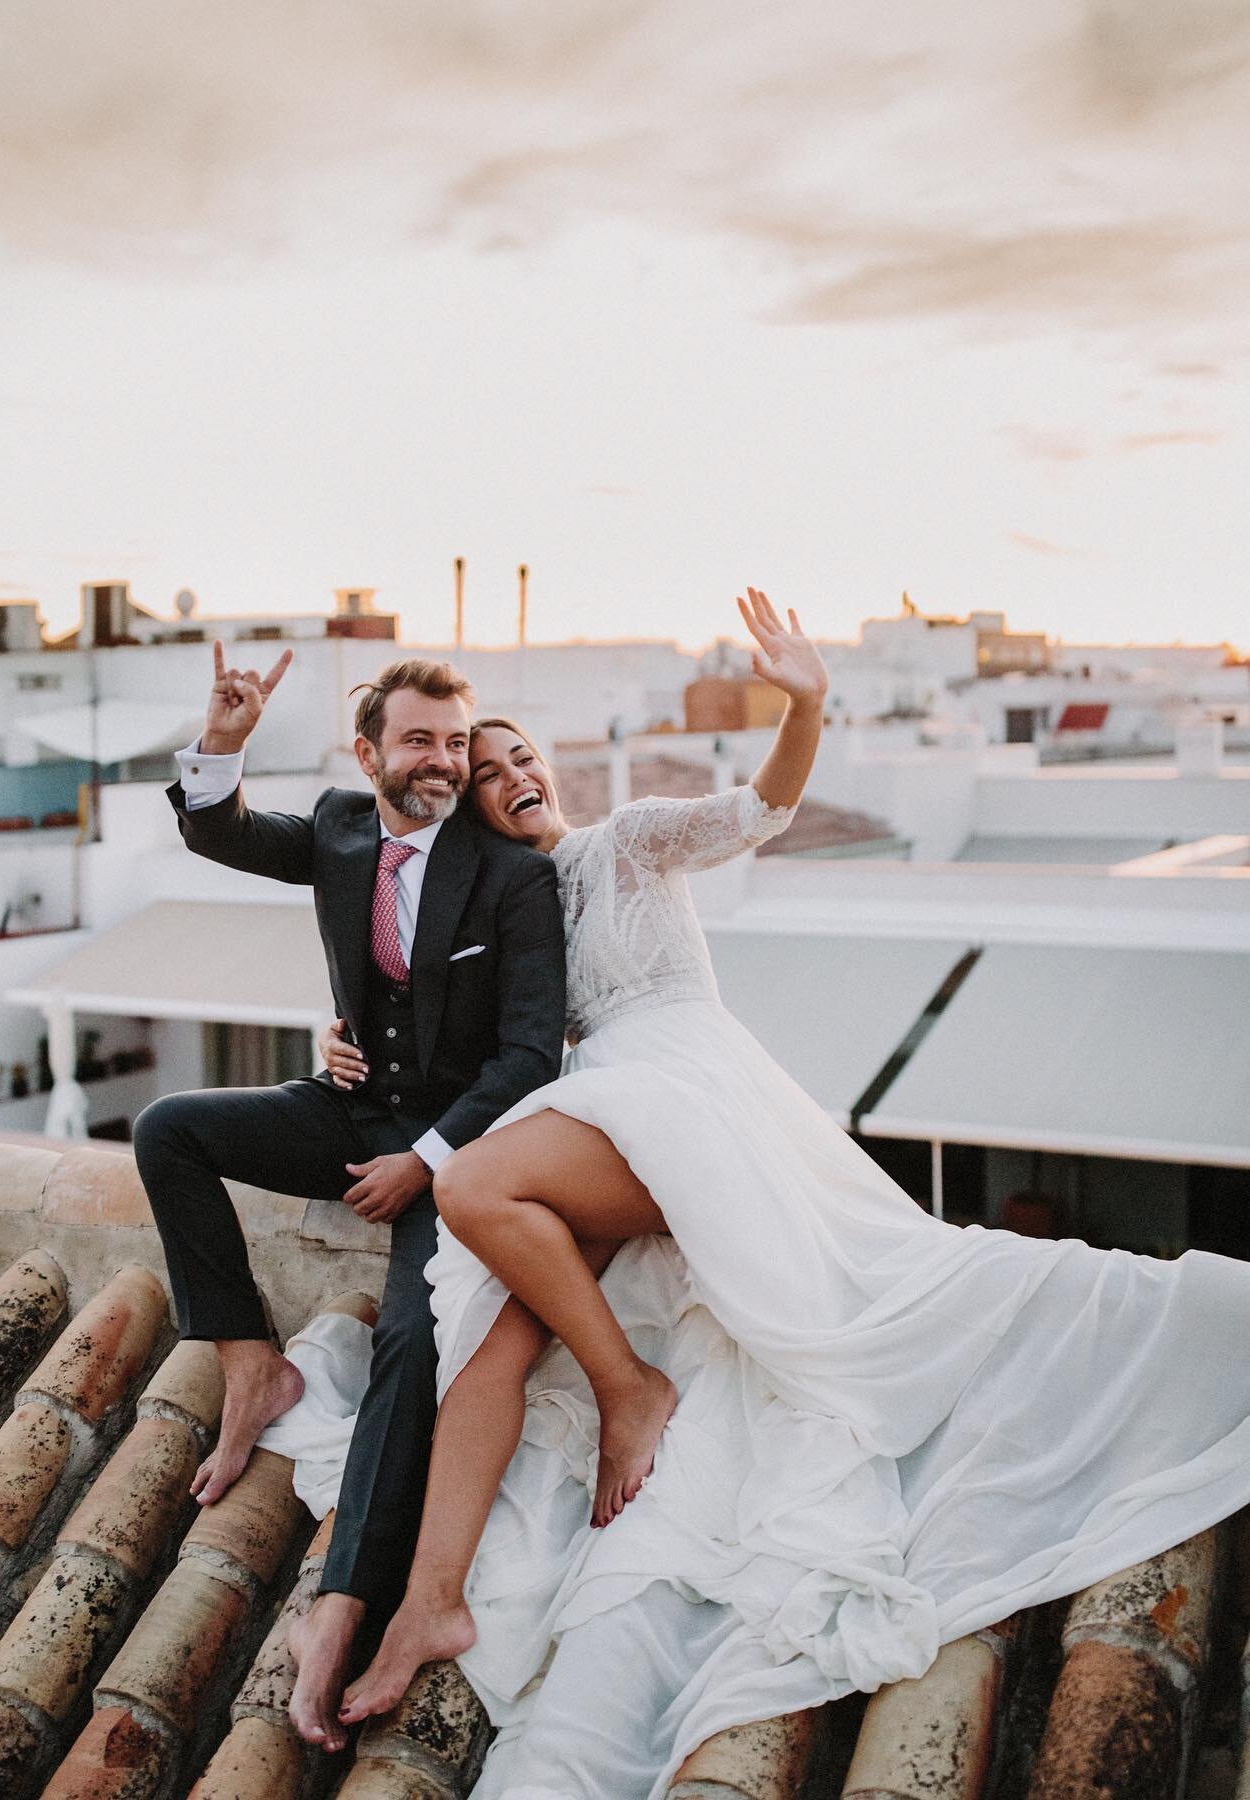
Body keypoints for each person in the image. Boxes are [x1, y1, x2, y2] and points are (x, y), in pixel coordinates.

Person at [266, 587, 1250, 1799]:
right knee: (488, 1327)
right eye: (487, 773)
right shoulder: (505, 906)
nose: (513, 774)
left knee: (473, 1195)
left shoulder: (627, 841)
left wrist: (806, 704)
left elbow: (763, 808)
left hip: (688, 1091)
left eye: (523, 757)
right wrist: (342, 1045)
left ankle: (628, 1390)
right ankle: (434, 1601)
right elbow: (440, 1030)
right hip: (602, 1116)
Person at [133, 643, 565, 1752]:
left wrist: (426, 1158)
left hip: (460, 1153)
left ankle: (341, 1609)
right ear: (369, 754)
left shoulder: (512, 877)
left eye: (456, 741)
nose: (443, 760)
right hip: (348, 1111)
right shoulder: (336, 827)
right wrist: (223, 741)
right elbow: (221, 833)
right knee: (168, 1130)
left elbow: (530, 1057)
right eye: (418, 740)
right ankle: (251, 1364)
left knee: (412, 1342)